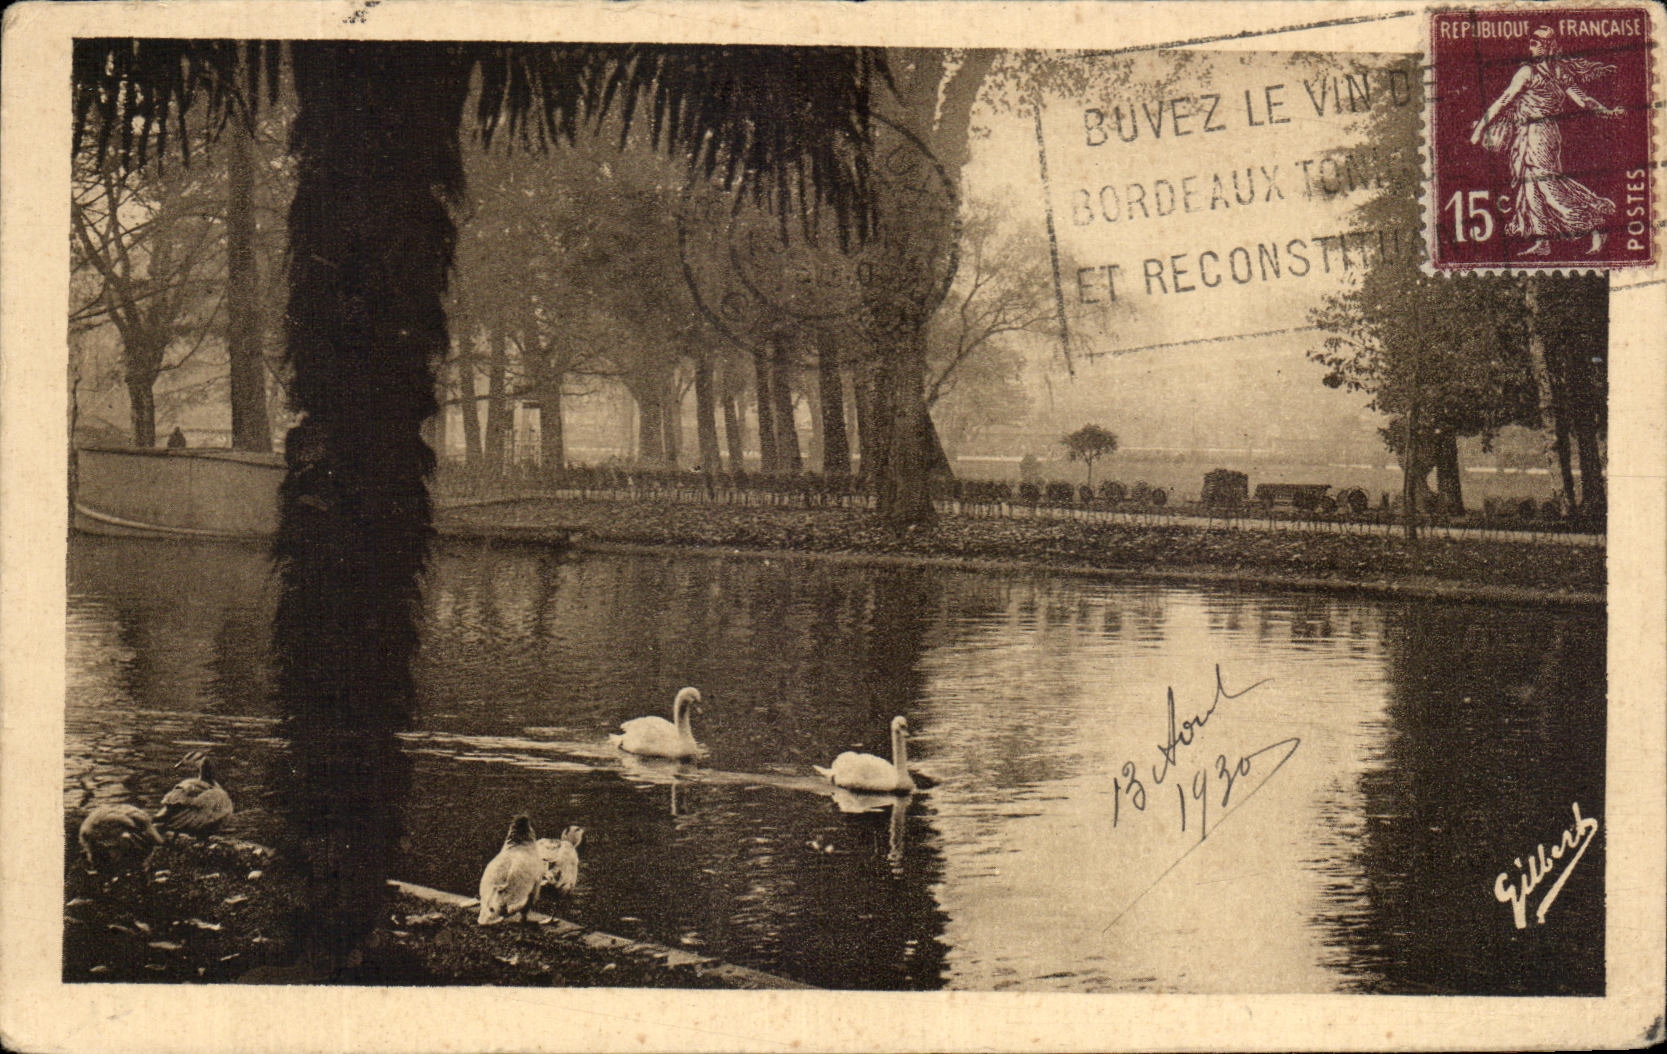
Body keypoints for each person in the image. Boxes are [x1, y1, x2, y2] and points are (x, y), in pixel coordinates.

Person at [1469, 24, 1624, 256]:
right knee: (1531, 189)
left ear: (1549, 45)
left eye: (1537, 41)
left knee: (1547, 186)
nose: (1531, 45)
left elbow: (1504, 101)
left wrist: (1479, 129)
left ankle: (1594, 223)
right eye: (1531, 40)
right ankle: (1543, 242)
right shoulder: (1556, 71)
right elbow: (1584, 101)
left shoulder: (1530, 72)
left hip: (1538, 136)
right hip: (1536, 134)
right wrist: (1608, 111)